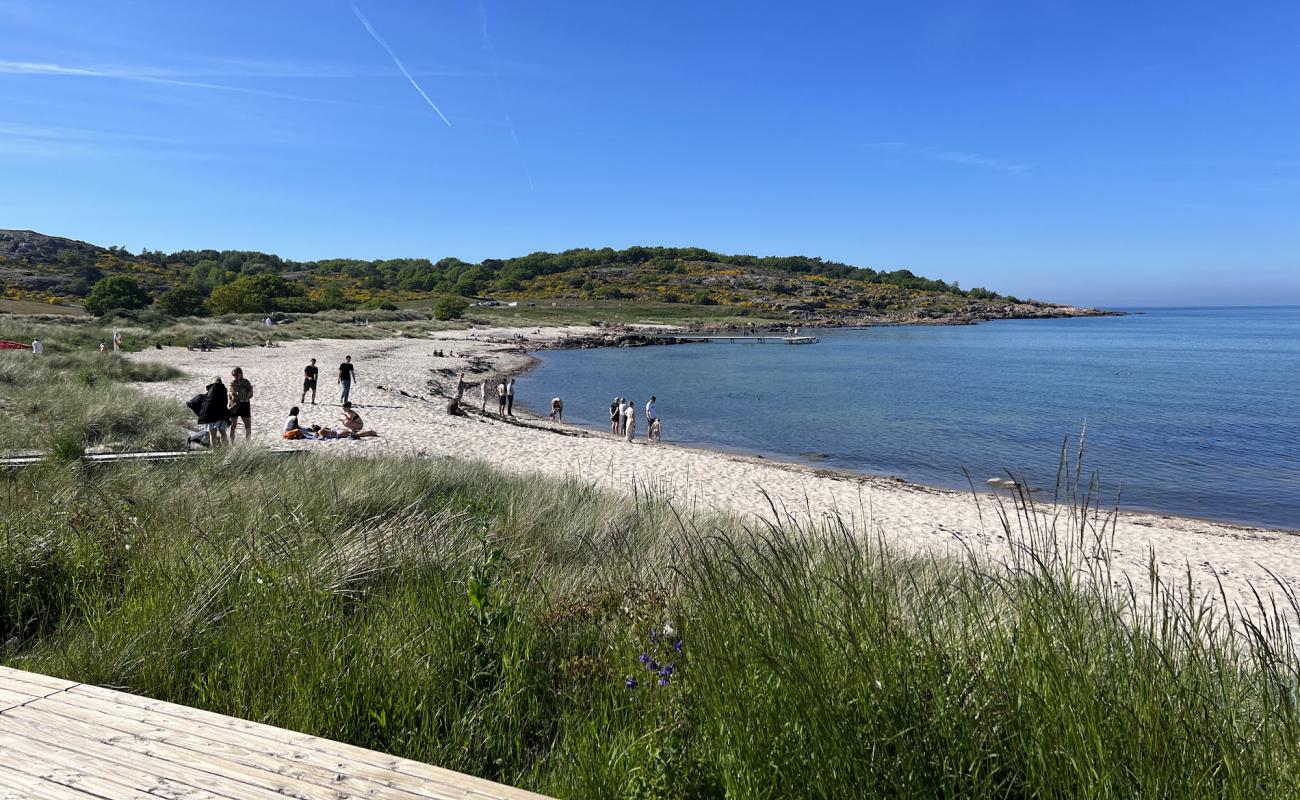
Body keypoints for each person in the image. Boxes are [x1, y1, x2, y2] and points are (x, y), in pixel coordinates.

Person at [197, 375, 229, 448]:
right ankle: (225, 450)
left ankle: (213, 451)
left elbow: (208, 403)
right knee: (223, 433)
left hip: (210, 414)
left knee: (213, 434)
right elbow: (225, 402)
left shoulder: (211, 389)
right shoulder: (223, 390)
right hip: (222, 414)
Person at [227, 367, 254, 441]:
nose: (235, 376)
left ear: (241, 374)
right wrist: (242, 394)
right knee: (233, 425)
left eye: (236, 375)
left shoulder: (246, 382)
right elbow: (233, 394)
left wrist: (243, 395)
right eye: (233, 375)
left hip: (244, 404)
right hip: (235, 405)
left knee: (248, 425)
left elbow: (250, 393)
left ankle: (248, 443)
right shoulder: (231, 383)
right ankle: (232, 443)